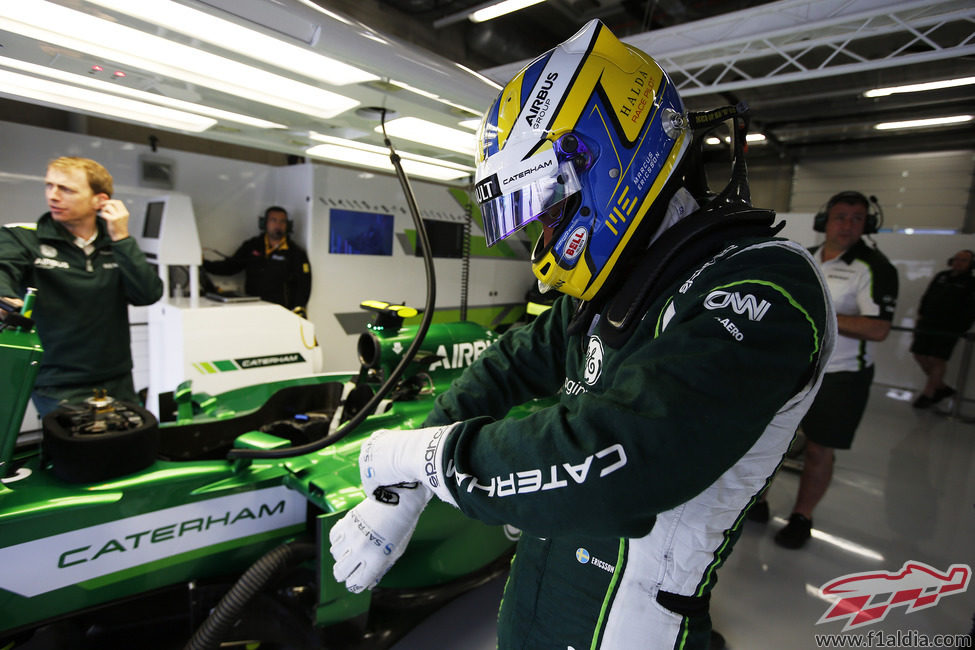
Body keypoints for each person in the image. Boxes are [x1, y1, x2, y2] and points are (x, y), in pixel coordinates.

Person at [328, 21, 835, 649]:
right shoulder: (622, 282)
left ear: (610, 159)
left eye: (545, 206)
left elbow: (623, 457)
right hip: (538, 604)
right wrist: (406, 489)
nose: (541, 238)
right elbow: (506, 365)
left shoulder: (768, 284)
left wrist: (427, 460)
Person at [771, 190, 898, 549]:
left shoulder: (874, 267)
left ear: (867, 224)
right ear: (825, 220)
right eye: (841, 216)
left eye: (857, 218)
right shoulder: (805, 257)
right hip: (793, 369)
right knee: (771, 439)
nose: (847, 225)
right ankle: (758, 502)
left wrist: (816, 313)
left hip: (842, 376)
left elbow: (878, 328)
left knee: (818, 449)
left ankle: (802, 516)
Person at [0, 156, 163, 417]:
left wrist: (122, 237)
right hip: (56, 381)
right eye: (49, 186)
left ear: (100, 200)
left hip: (116, 376)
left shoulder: (117, 244)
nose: (53, 196)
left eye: (66, 189)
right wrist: (5, 299)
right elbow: (2, 268)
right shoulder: (22, 237)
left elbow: (147, 294)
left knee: (129, 448)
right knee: (77, 453)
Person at [203, 206, 311, 313]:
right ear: (264, 223)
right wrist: (203, 264)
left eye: (282, 221)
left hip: (281, 311)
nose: (278, 225)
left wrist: (297, 309)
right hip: (253, 308)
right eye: (273, 220)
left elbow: (304, 286)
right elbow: (230, 267)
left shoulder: (296, 253)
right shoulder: (252, 246)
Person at [910, 249, 975, 408]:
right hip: (928, 323)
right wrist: (921, 315)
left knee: (937, 358)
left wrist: (961, 327)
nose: (958, 262)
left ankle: (929, 393)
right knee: (919, 354)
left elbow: (970, 309)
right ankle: (941, 387)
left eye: (964, 260)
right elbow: (927, 296)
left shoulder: (971, 283)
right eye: (957, 259)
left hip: (949, 327)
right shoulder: (941, 276)